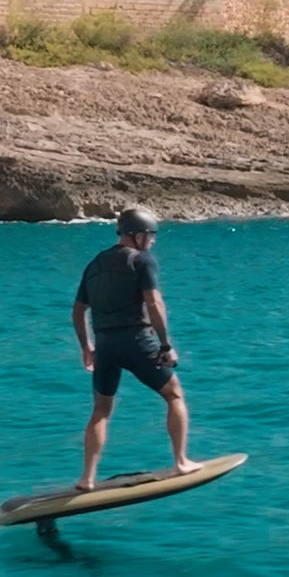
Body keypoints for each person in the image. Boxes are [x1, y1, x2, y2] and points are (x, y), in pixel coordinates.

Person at [72, 206, 193, 489]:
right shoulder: (142, 261)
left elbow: (78, 310)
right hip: (137, 341)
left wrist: (86, 346)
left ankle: (87, 478)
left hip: (105, 345)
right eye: (151, 235)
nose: (152, 241)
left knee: (101, 411)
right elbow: (154, 303)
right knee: (174, 395)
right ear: (137, 235)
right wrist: (165, 344)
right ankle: (181, 462)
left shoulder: (94, 264)